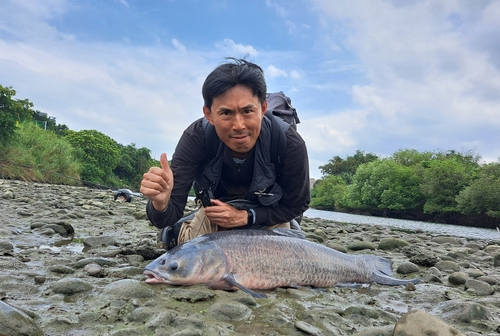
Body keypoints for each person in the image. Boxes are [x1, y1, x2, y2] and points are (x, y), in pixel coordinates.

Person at [140, 58, 310, 250]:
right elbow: (166, 216)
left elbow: (297, 206)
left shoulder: (289, 143)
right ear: (209, 114)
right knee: (183, 250)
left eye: (247, 111)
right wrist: (160, 203)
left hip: (269, 213)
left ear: (263, 109)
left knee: (281, 260)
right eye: (226, 113)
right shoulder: (196, 138)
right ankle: (185, 227)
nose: (239, 125)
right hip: (217, 213)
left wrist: (246, 216)